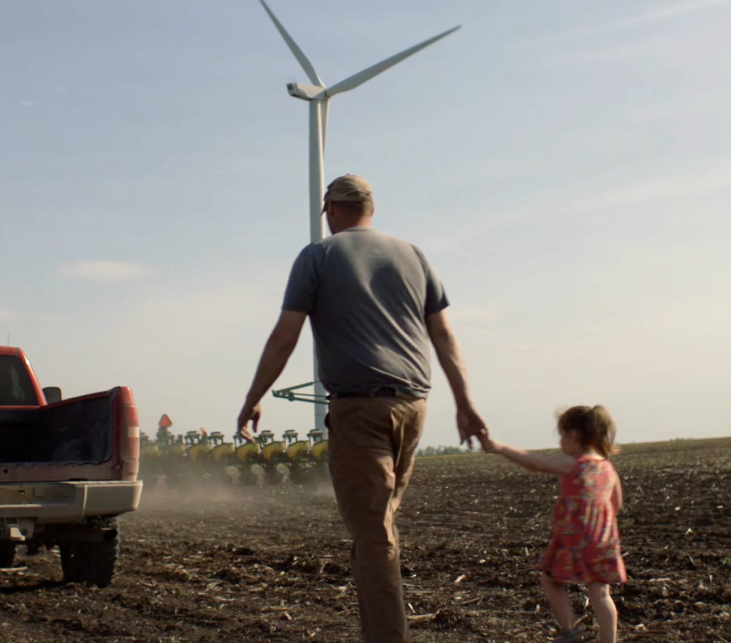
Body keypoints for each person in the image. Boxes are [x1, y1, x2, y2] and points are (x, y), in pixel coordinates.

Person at [237, 174, 488, 643]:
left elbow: (284, 336)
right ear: (371, 207)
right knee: (379, 525)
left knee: (374, 537)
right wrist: (465, 403)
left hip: (360, 410)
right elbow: (445, 335)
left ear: (330, 207)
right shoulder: (413, 254)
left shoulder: (318, 256)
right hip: (414, 406)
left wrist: (252, 399)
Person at [482, 406, 625, 643]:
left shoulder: (573, 463)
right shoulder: (607, 467)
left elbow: (534, 462)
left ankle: (570, 631)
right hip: (604, 539)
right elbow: (616, 503)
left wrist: (501, 448)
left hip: (574, 537)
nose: (560, 442)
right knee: (600, 593)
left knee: (549, 579)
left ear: (574, 436)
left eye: (561, 435)